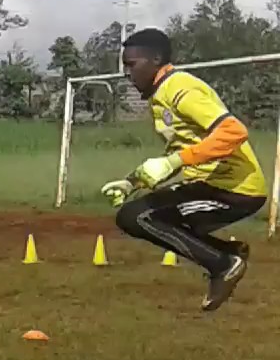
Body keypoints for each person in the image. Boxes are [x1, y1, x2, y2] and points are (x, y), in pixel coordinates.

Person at [101, 27, 267, 312]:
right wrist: (132, 182)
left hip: (234, 190)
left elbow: (233, 131)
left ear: (155, 60)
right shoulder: (160, 96)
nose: (127, 74)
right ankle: (227, 254)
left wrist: (174, 162)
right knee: (133, 215)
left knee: (138, 217)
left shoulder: (179, 88)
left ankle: (224, 263)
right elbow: (179, 152)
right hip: (208, 185)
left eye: (131, 65)